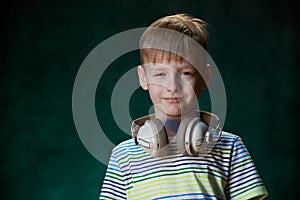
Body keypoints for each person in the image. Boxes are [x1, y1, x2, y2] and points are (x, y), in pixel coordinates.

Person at [99, 13, 268, 199]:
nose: (172, 86)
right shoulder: (123, 156)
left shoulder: (230, 147)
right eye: (160, 74)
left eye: (186, 73)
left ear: (205, 76)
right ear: (143, 77)